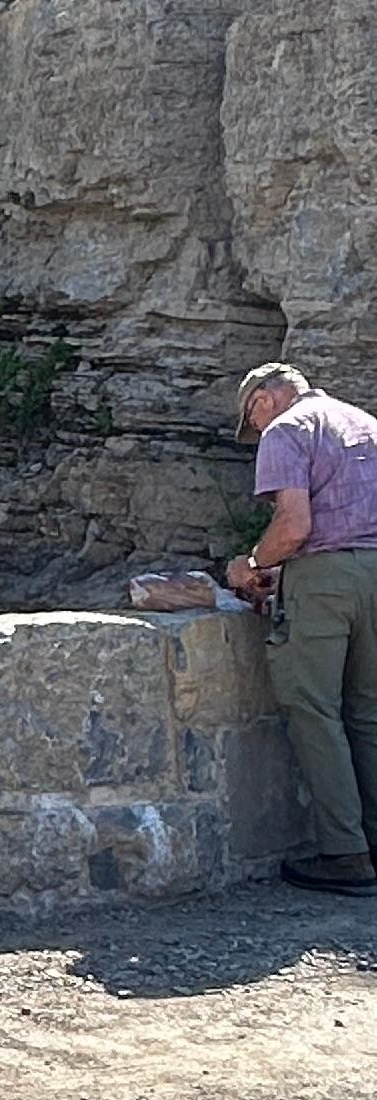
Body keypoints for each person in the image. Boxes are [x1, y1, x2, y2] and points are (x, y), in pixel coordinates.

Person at [226, 361, 377, 895]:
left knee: (313, 708)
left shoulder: (288, 430)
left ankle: (346, 853)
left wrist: (253, 565)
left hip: (326, 578)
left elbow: (294, 525)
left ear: (265, 398)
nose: (257, 429)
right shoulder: (365, 422)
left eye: (252, 416)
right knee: (368, 712)